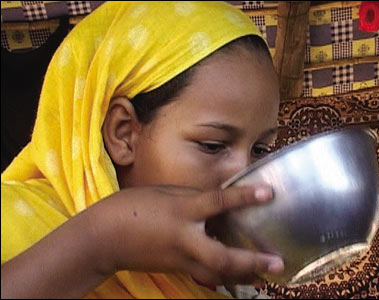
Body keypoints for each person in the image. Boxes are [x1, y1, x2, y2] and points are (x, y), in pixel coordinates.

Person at [1, 2, 283, 299]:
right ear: (123, 133)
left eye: (260, 150)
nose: (246, 174)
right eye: (212, 146)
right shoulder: (14, 223)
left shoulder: (225, 282)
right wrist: (102, 241)